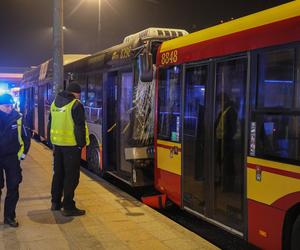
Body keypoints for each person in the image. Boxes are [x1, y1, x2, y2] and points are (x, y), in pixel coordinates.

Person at [48, 82, 89, 216]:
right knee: (71, 177)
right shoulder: (76, 104)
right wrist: (81, 144)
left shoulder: (54, 103)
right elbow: (79, 127)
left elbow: (50, 123)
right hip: (71, 146)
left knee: (58, 173)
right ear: (76, 93)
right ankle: (69, 206)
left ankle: (55, 203)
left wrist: (51, 142)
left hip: (58, 145)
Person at [0, 93, 31, 227]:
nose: (10, 109)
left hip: (12, 158)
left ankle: (9, 217)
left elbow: (26, 137)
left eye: (11, 106)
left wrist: (23, 154)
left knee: (13, 187)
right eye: (6, 106)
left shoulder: (18, 118)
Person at [215, 93, 237, 192]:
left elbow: (232, 128)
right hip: (221, 140)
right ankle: (222, 179)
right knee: (220, 160)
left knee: (227, 162)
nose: (220, 103)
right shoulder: (223, 111)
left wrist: (226, 137)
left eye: (221, 101)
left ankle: (228, 184)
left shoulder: (231, 111)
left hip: (227, 141)